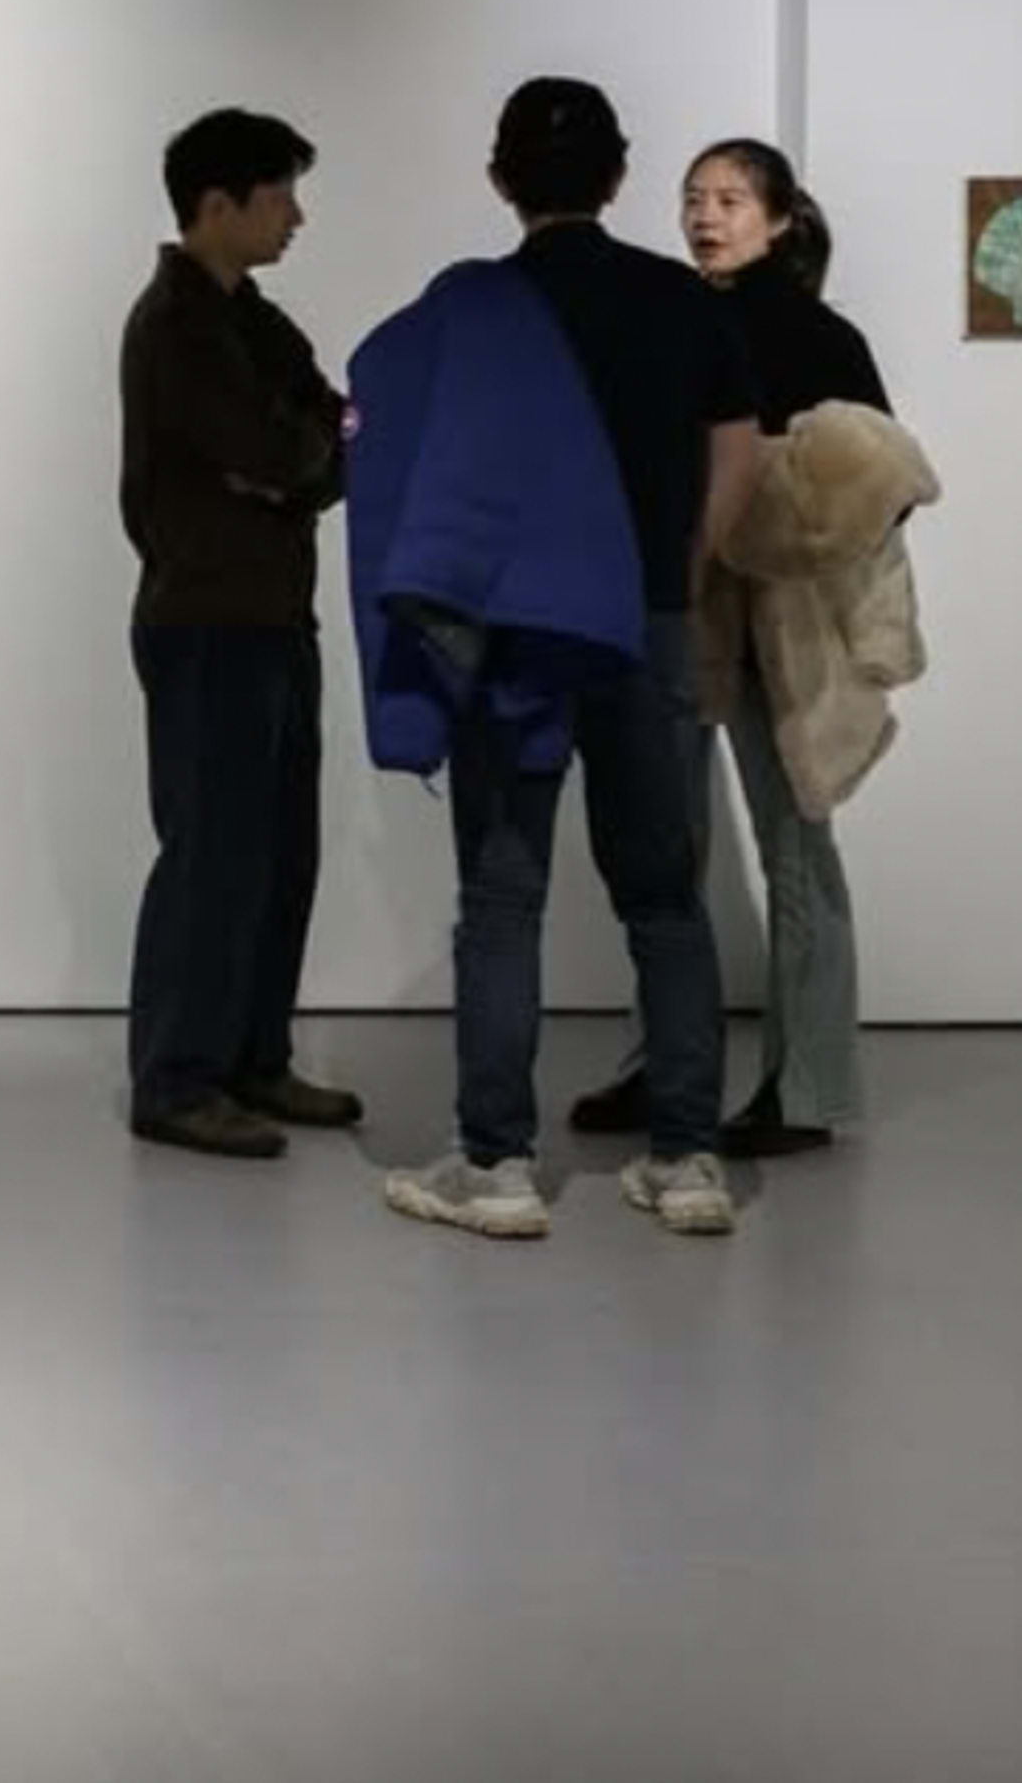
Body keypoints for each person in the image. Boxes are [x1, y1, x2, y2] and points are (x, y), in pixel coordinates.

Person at [378, 78, 757, 1243]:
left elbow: (419, 461)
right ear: (619, 175)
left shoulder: (476, 309)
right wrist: (681, 588)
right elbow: (736, 460)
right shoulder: (681, 303)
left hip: (515, 638)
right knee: (664, 896)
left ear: (501, 179)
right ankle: (689, 1158)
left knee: (502, 901)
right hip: (644, 621)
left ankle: (495, 1165)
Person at [117, 110, 359, 1161]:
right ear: (218, 205)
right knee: (212, 852)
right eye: (280, 196)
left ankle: (253, 1055)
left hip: (271, 616)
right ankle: (177, 1077)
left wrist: (300, 455)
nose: (297, 215)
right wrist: (299, 453)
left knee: (278, 852)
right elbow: (285, 445)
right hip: (206, 619)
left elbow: (333, 436)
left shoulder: (256, 320)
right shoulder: (175, 326)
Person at [663, 139, 892, 1157]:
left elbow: (880, 483)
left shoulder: (811, 333)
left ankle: (805, 1090)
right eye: (694, 197)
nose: (706, 215)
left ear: (780, 217)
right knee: (663, 850)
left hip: (776, 629)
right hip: (685, 612)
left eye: (728, 199)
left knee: (794, 850)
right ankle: (663, 1067)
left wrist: (769, 527)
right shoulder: (684, 317)